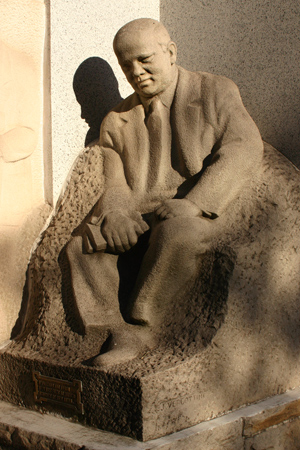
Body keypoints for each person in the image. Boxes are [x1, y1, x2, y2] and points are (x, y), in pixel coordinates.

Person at [65, 18, 263, 365]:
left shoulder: (214, 91)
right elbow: (114, 181)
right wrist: (115, 214)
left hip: (197, 211)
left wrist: (195, 203)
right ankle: (113, 331)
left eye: (144, 60)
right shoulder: (116, 120)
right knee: (80, 247)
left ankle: (146, 326)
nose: (136, 72)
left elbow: (244, 146)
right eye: (126, 65)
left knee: (175, 233)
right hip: (142, 216)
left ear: (170, 53)